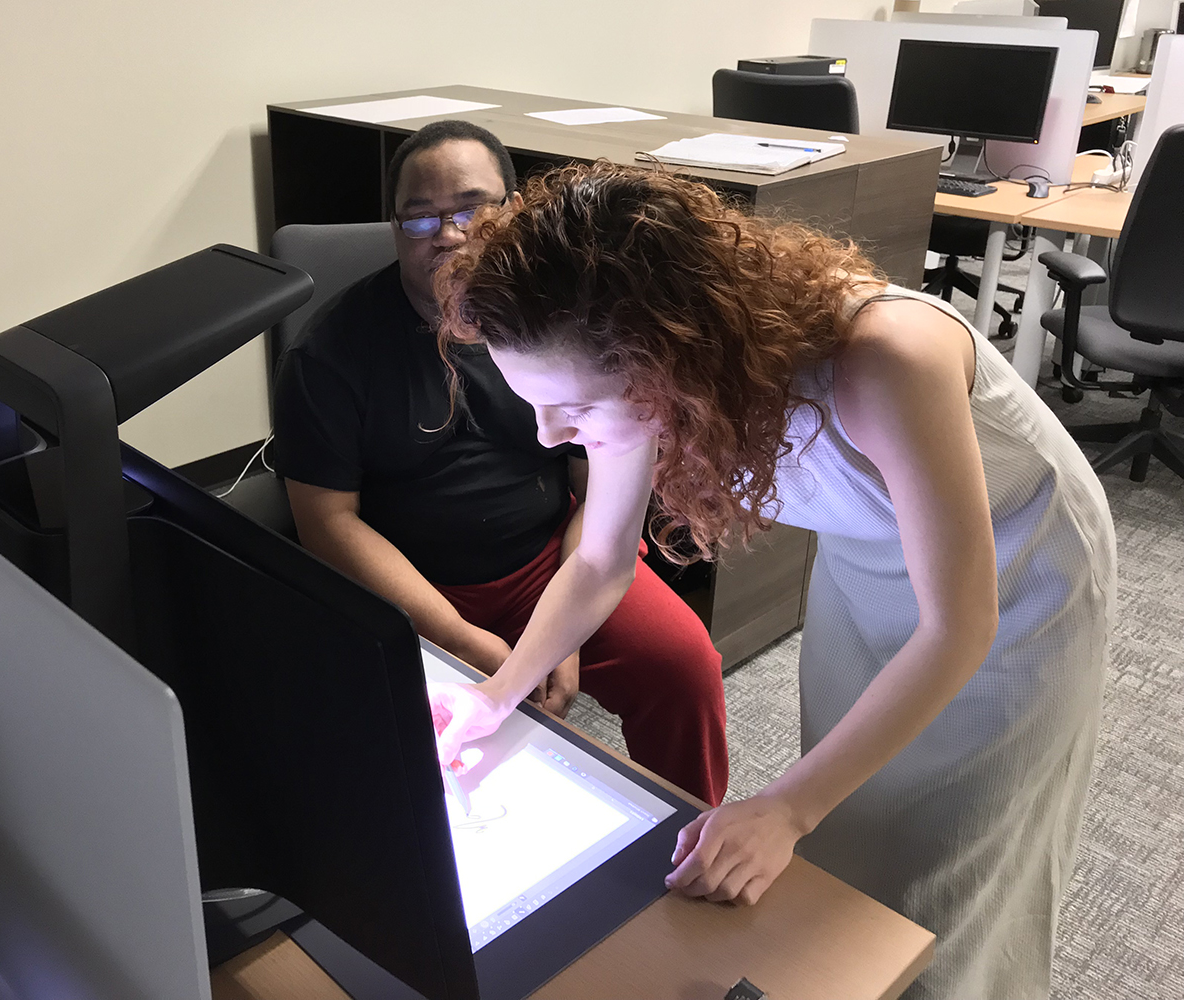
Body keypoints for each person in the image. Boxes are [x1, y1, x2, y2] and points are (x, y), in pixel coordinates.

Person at [429, 161, 1114, 1000]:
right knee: (852, 817)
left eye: (573, 408)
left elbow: (960, 625)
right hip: (868, 557)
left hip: (1017, 575)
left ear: (668, 356)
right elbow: (602, 562)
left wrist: (785, 809)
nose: (546, 436)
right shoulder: (644, 368)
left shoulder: (886, 359)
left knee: (951, 853)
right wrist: (498, 695)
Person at [272, 122, 728, 804]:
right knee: (408, 756)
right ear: (394, 226)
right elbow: (327, 523)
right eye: (419, 216)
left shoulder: (560, 328)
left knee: (684, 664)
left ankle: (688, 829)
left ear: (513, 211)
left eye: (470, 208)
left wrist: (560, 629)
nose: (447, 233)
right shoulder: (327, 354)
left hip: (556, 561)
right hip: (414, 590)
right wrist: (456, 634)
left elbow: (591, 483)